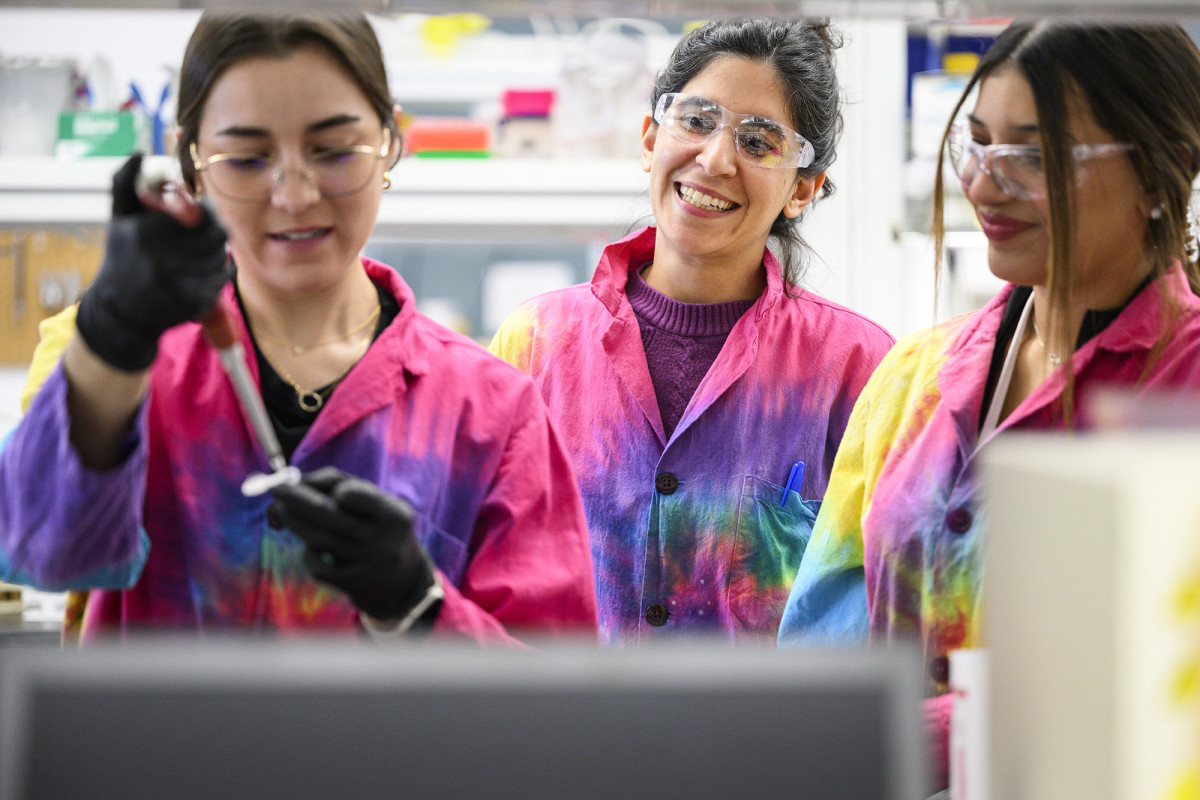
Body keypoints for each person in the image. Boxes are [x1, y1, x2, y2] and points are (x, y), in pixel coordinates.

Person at [0, 12, 598, 644]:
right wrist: (110, 335)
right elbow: (40, 553)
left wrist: (419, 607)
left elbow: (546, 704)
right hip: (155, 748)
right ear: (193, 163)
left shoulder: (492, 410)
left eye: (334, 150)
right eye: (248, 158)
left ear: (392, 139)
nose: (294, 195)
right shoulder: (128, 371)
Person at [778, 20, 1200, 788]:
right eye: (977, 144)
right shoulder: (915, 374)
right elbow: (822, 648)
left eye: (1035, 155)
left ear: (1162, 170)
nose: (984, 182)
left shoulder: (1185, 387)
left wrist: (931, 731)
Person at [489, 18, 894, 644]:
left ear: (804, 189)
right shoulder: (536, 343)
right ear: (651, 138)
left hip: (761, 741)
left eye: (759, 142)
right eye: (697, 121)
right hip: (562, 735)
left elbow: (884, 614)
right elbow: (487, 579)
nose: (714, 160)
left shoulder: (858, 368)